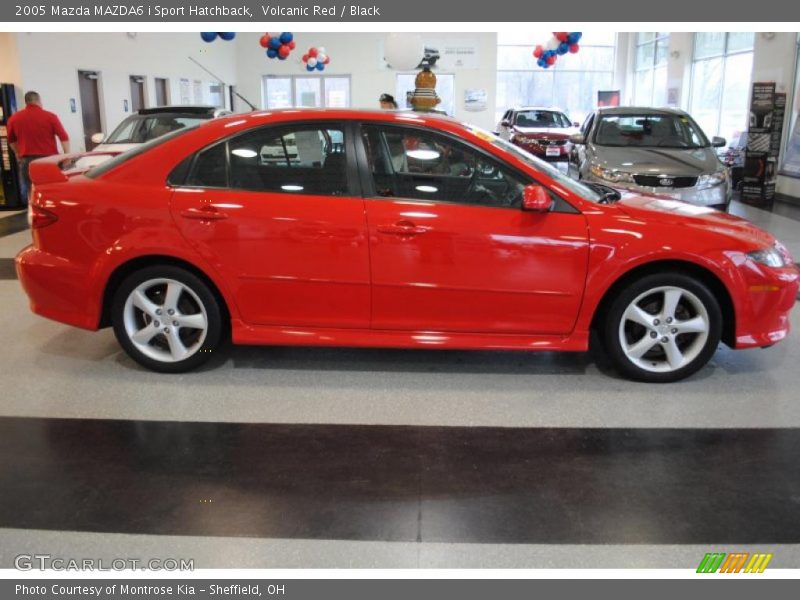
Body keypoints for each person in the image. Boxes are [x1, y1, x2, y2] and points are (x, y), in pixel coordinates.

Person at [7, 90, 70, 206]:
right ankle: (54, 212)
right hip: (49, 160)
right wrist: (66, 156)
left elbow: (11, 141)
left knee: (32, 189)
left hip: (27, 161)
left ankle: (36, 213)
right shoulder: (50, 116)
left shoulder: (14, 118)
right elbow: (64, 137)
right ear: (38, 101)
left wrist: (17, 153)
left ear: (26, 102)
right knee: (52, 188)